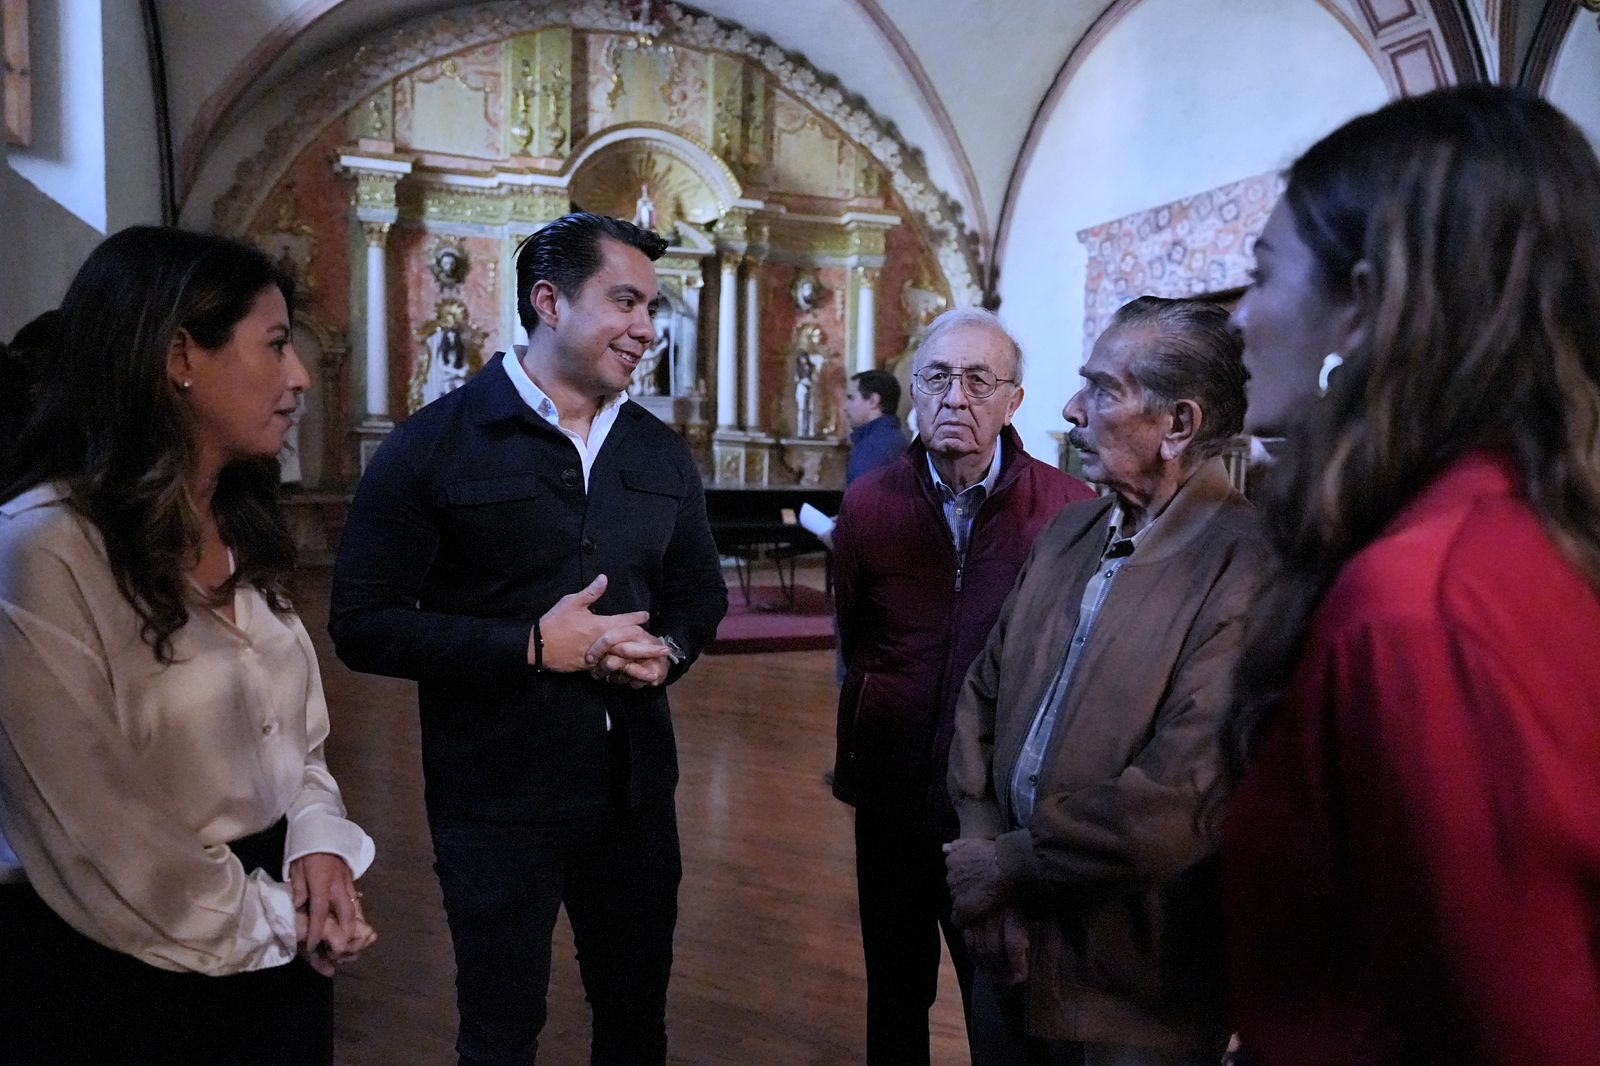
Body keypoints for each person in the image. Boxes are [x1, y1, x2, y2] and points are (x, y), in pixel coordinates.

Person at [1222, 84, 1600, 1065]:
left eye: (1261, 275)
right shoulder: (1514, 527)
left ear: (1363, 299)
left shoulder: (1419, 603)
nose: (1238, 319)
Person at [329, 212, 727, 1066]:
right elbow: (362, 625)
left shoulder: (661, 454)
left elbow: (699, 593)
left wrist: (672, 652)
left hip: (634, 798)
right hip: (495, 800)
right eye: (625, 301)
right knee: (501, 1031)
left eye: (651, 306)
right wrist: (528, 646)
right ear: (548, 301)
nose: (648, 330)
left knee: (635, 1023)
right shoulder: (429, 446)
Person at [0, 226, 377, 1065]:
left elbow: (296, 742)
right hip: (119, 962)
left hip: (267, 929)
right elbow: (97, 829)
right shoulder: (42, 551)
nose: (300, 376)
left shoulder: (239, 526)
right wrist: (278, 921)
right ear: (180, 356)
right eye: (275, 346)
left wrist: (317, 842)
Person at [944, 296, 1270, 1065]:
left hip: (1134, 985)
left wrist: (1012, 865)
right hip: (1006, 943)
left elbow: (1182, 795)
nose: (1071, 407)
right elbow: (981, 696)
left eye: (1103, 389)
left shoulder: (1249, 564)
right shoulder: (1069, 531)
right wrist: (982, 849)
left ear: (1178, 425)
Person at [831, 308, 1094, 1066]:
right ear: (913, 392)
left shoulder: (1068, 512)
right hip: (889, 798)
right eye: (938, 377)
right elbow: (858, 634)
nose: (956, 396)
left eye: (980, 379)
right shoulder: (870, 503)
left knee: (1005, 1003)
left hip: (998, 817)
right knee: (894, 996)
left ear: (1014, 401)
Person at [842, 368, 909, 484]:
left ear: (873, 401)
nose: (845, 407)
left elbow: (861, 500)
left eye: (851, 398)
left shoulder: (873, 449)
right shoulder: (892, 440)